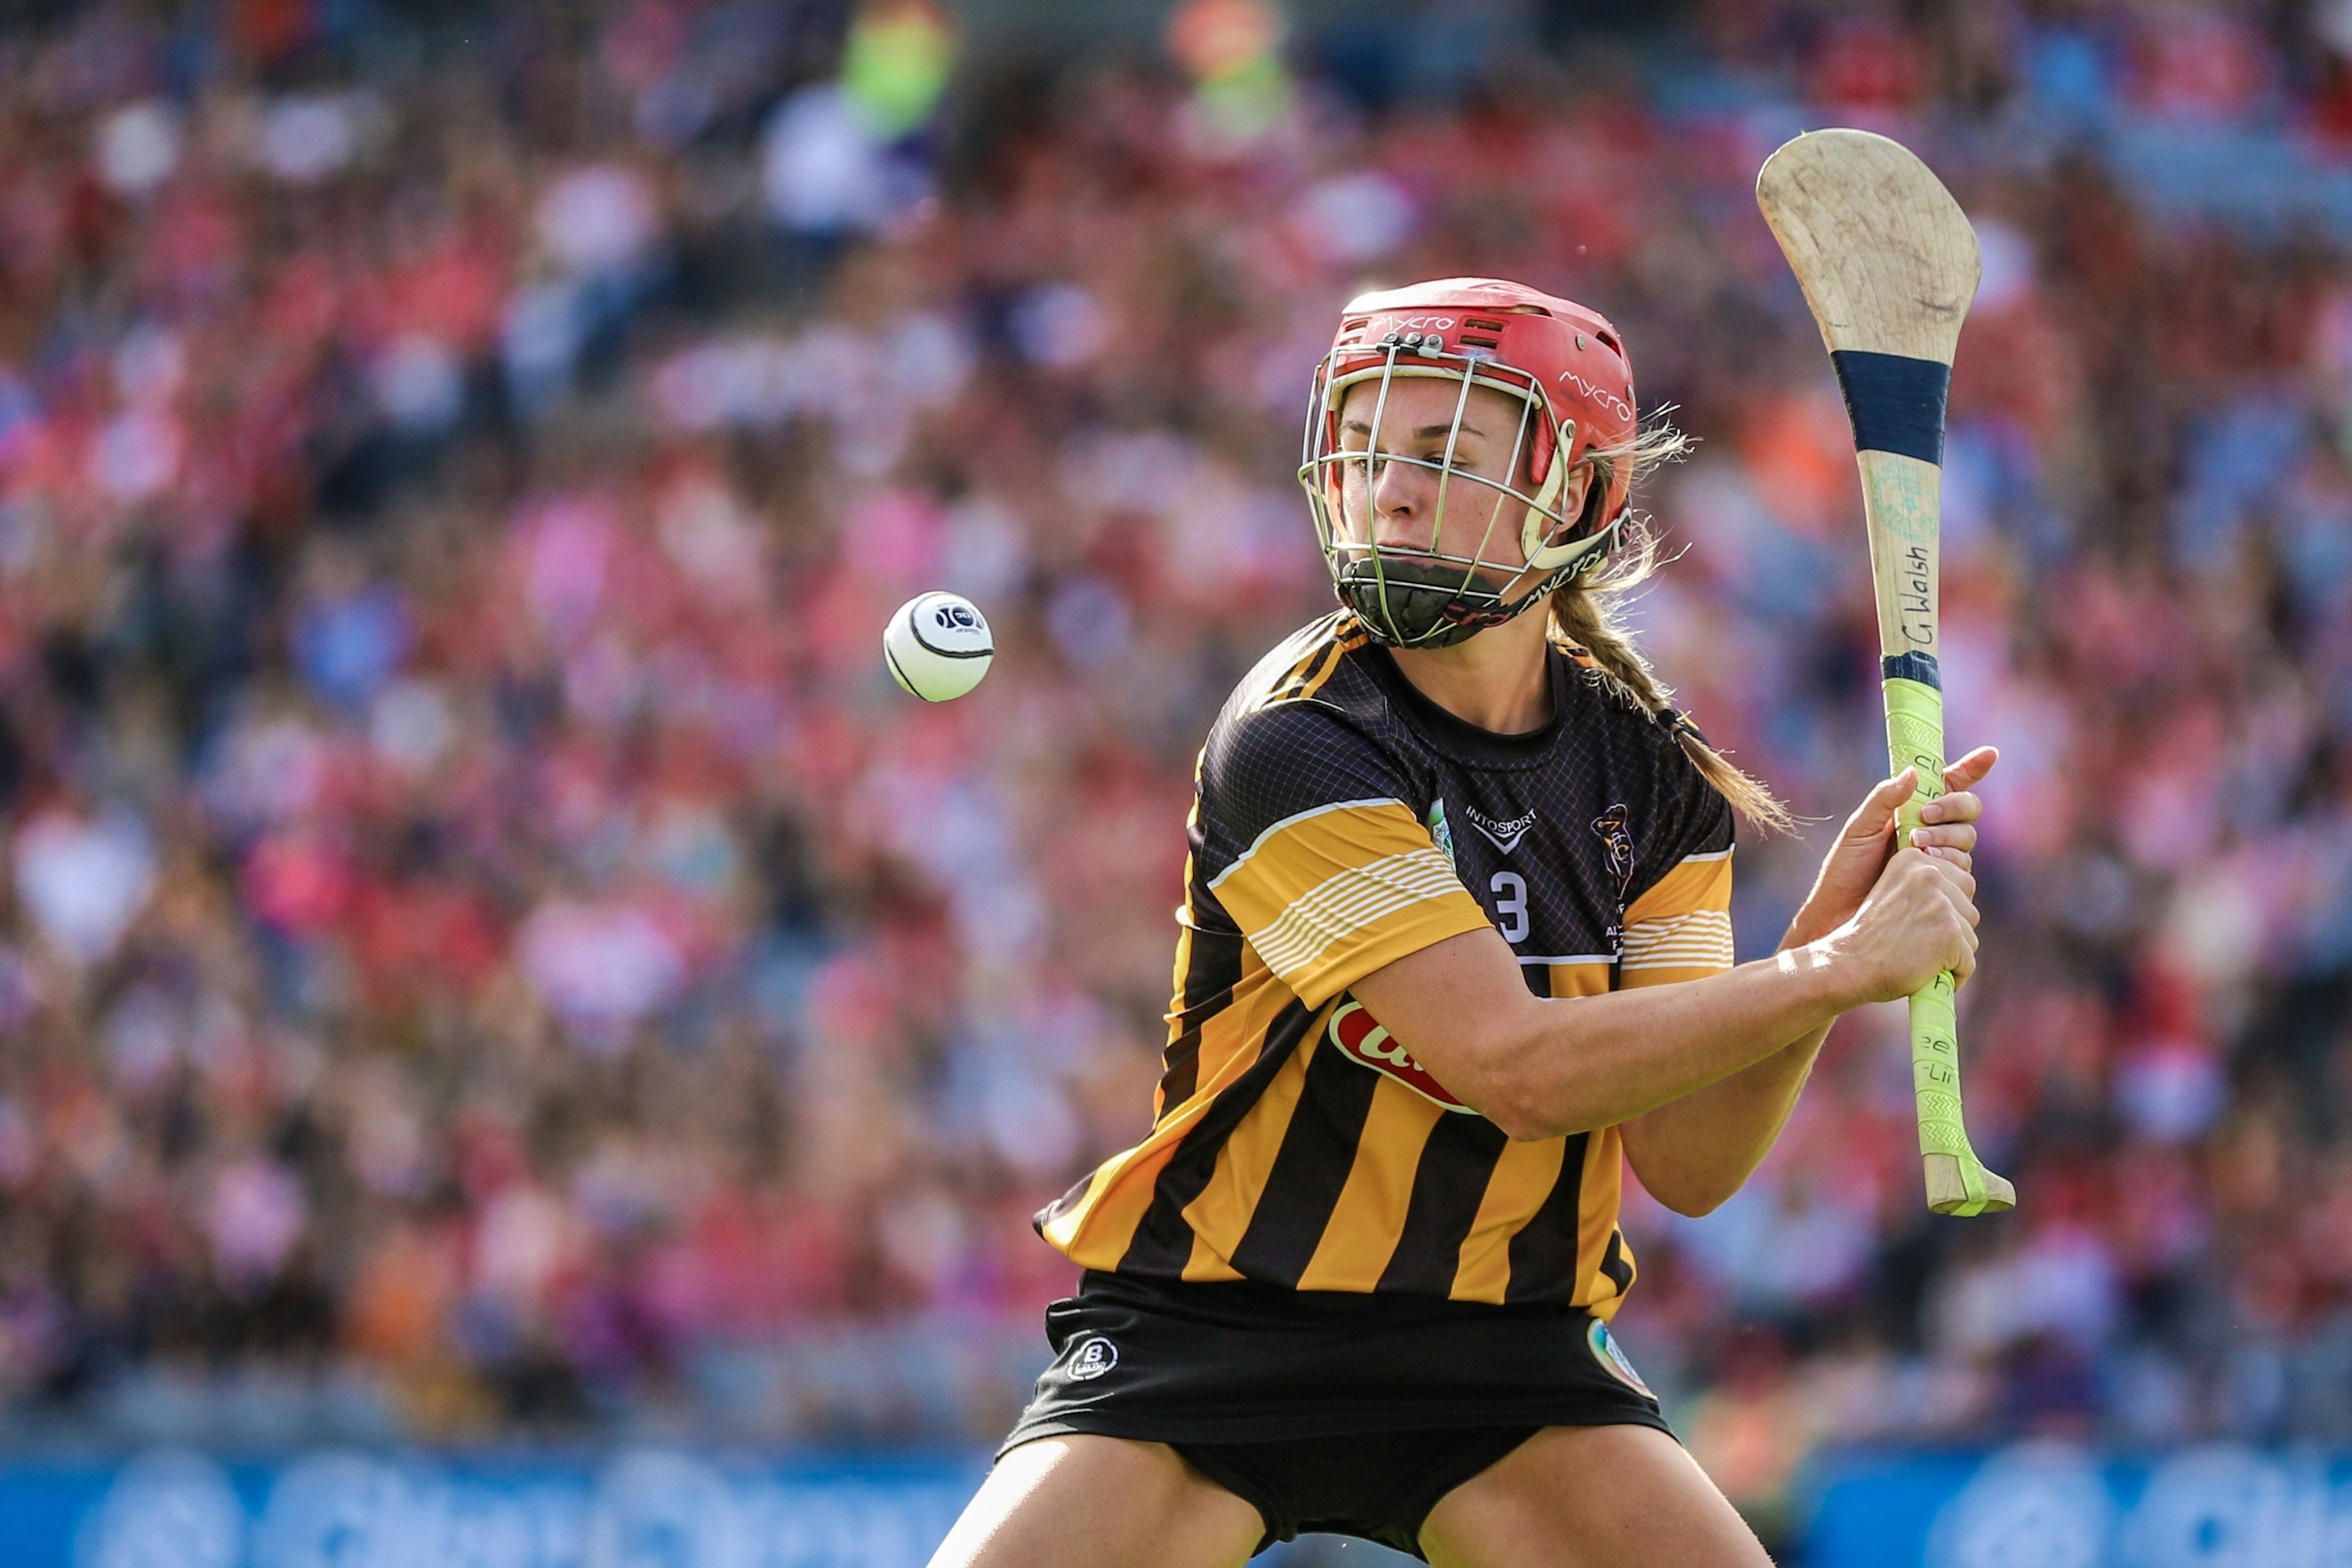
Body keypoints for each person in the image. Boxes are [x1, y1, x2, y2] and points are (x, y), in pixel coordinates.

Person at [929, 279, 1993, 1567]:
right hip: (1216, 1336)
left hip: (1507, 1358)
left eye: (1445, 454)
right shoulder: (1299, 738)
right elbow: (1514, 1069)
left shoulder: (1650, 775)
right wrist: (1831, 965)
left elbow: (1691, 1162)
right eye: (1372, 448)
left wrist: (1826, 957)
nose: (1390, 486)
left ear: (1582, 495)